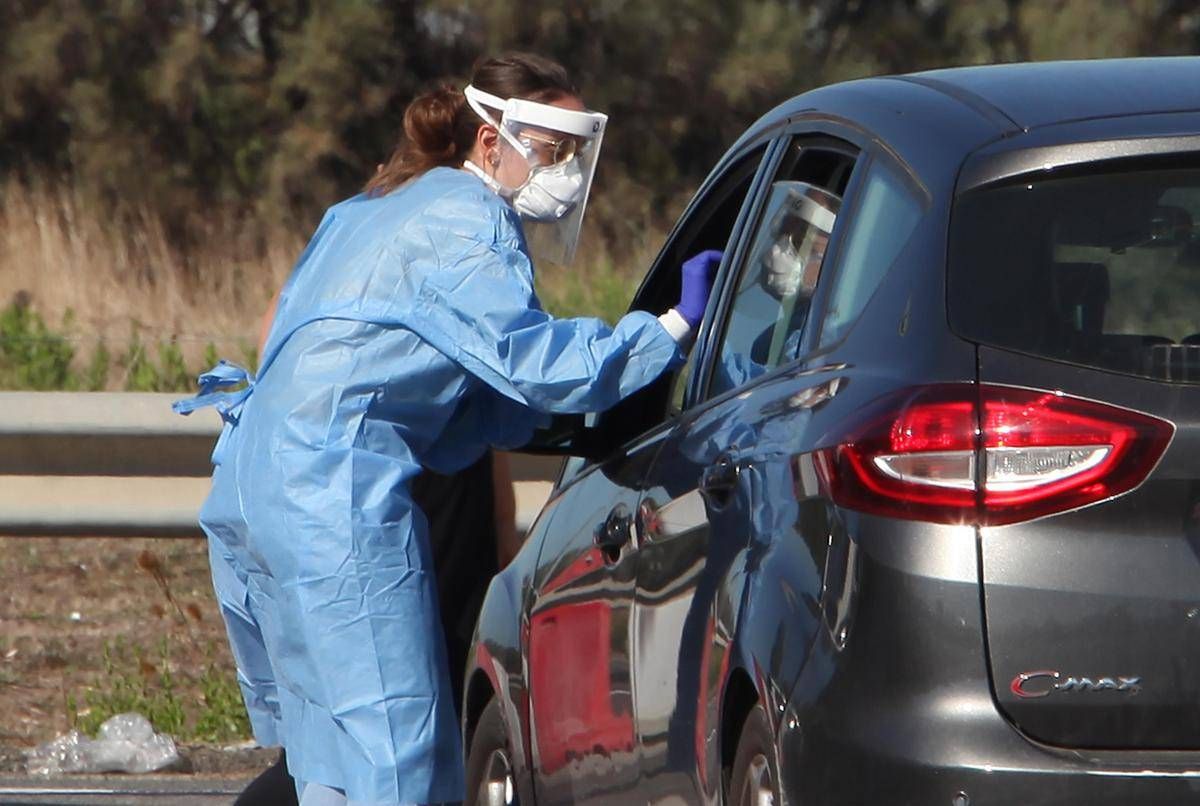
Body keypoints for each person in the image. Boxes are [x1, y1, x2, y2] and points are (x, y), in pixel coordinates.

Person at [176, 52, 718, 806]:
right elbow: (536, 363)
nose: (563, 171)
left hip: (258, 488)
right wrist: (668, 328)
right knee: (400, 759)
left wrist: (561, 420)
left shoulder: (375, 207)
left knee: (328, 760)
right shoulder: (466, 220)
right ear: (490, 141)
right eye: (552, 149)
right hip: (335, 499)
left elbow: (457, 394)